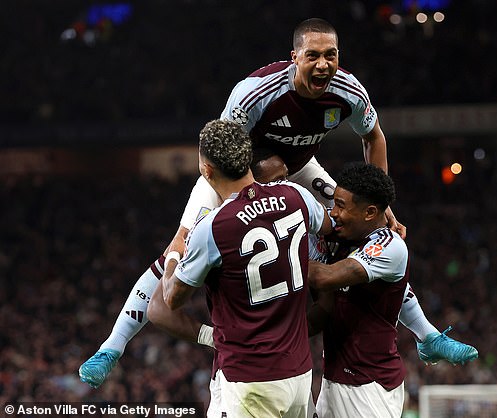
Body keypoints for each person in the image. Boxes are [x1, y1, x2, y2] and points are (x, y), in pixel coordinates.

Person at [79, 17, 476, 388]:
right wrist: (255, 172)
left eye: (331, 55)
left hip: (300, 170)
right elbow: (221, 152)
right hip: (237, 174)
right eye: (313, 56)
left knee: (370, 233)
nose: (323, 65)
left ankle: (427, 335)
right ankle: (111, 346)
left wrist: (382, 199)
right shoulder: (256, 93)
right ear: (295, 59)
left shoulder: (349, 92)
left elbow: (374, 137)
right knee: (179, 247)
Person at [147, 119, 332, 417]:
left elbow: (171, 298)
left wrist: (175, 252)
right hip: (299, 375)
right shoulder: (296, 196)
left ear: (207, 171)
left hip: (250, 382)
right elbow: (326, 223)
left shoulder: (213, 228)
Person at [307, 163, 408, 417]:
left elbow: (324, 277)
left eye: (341, 205)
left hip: (368, 388)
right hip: (334, 378)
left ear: (369, 212)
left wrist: (281, 246)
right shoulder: (347, 239)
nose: (334, 213)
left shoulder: (389, 246)